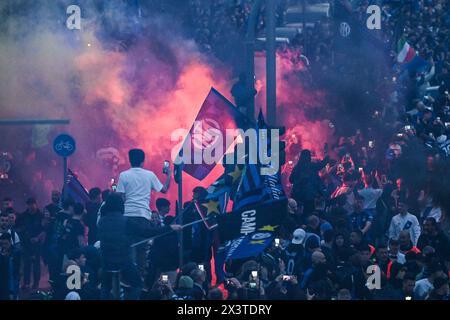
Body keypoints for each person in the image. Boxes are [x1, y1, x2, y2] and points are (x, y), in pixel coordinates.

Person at [116, 149, 179, 276]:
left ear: (130, 160)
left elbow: (120, 197)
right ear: (143, 161)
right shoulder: (149, 175)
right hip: (143, 216)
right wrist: (169, 175)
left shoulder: (123, 175)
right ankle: (139, 278)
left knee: (128, 247)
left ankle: (127, 277)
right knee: (141, 249)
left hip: (127, 216)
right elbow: (164, 190)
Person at [16, 198, 44, 291]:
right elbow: (18, 229)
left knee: (36, 264)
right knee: (26, 264)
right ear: (27, 205)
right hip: (26, 244)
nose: (31, 206)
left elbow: (44, 230)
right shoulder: (23, 216)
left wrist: (37, 238)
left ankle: (36, 283)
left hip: (37, 244)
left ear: (36, 204)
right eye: (29, 204)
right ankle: (26, 283)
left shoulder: (41, 215)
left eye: (32, 204)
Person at [289, 149, 328, 215]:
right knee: (309, 213)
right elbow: (320, 165)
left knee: (298, 213)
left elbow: (291, 180)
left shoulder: (296, 168)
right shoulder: (311, 166)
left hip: (297, 195)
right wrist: (327, 157)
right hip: (309, 196)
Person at [0, 233, 20, 300]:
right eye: (2, 244)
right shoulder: (1, 253)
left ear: (10, 242)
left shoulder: (16, 253)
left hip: (11, 285)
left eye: (5, 244)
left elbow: (14, 274)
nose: (3, 246)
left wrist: (12, 291)